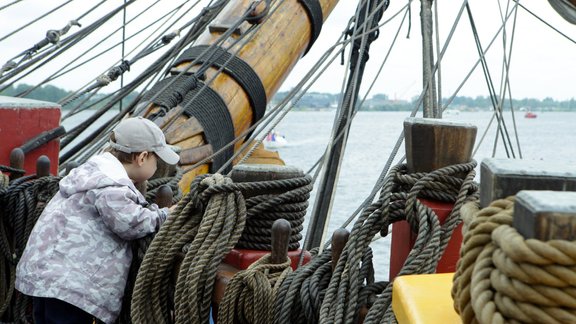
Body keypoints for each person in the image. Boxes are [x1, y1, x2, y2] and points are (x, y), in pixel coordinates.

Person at [15, 117, 180, 324]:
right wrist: (165, 215)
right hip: (70, 286)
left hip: (48, 277)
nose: (158, 167)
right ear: (142, 157)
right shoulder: (111, 186)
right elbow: (130, 223)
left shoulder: (92, 173)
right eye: (157, 161)